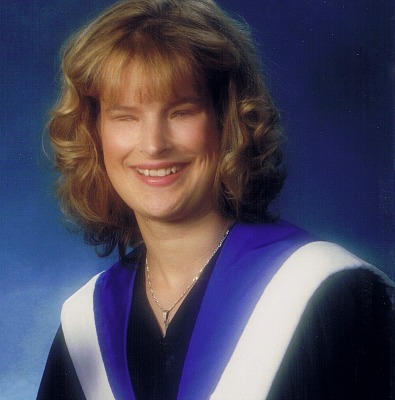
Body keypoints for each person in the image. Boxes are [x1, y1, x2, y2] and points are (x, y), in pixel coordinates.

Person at [37, 0, 394, 399]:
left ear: (227, 121)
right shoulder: (84, 324)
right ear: (95, 133)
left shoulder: (330, 294)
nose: (153, 145)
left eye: (180, 112)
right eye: (125, 116)